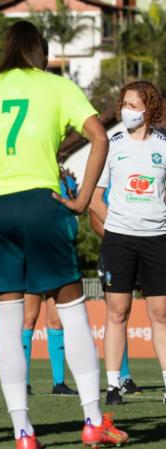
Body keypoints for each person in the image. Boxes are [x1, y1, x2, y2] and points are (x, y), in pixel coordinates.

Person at [0, 20, 128, 449]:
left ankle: (23, 431)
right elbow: (98, 137)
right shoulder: (55, 86)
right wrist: (83, 198)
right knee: (72, 313)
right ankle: (93, 420)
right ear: (41, 50)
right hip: (43, 203)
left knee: (8, 325)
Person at [89, 80, 166, 406]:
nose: (126, 111)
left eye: (133, 105)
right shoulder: (111, 143)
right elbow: (94, 199)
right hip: (119, 240)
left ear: (148, 109)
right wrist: (117, 230)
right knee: (117, 311)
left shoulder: (164, 145)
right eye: (124, 104)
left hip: (157, 240)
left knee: (161, 313)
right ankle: (113, 385)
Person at [22, 169, 78, 397]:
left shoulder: (67, 179)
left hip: (59, 252)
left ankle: (59, 382)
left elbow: (74, 212)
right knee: (28, 319)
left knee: (56, 321)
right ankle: (22, 381)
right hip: (33, 252)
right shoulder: (30, 177)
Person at [90, 186, 143, 404]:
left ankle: (126, 377)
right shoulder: (110, 170)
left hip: (151, 245)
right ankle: (120, 379)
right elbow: (95, 213)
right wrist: (121, 239)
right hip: (118, 248)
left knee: (160, 311)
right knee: (118, 312)